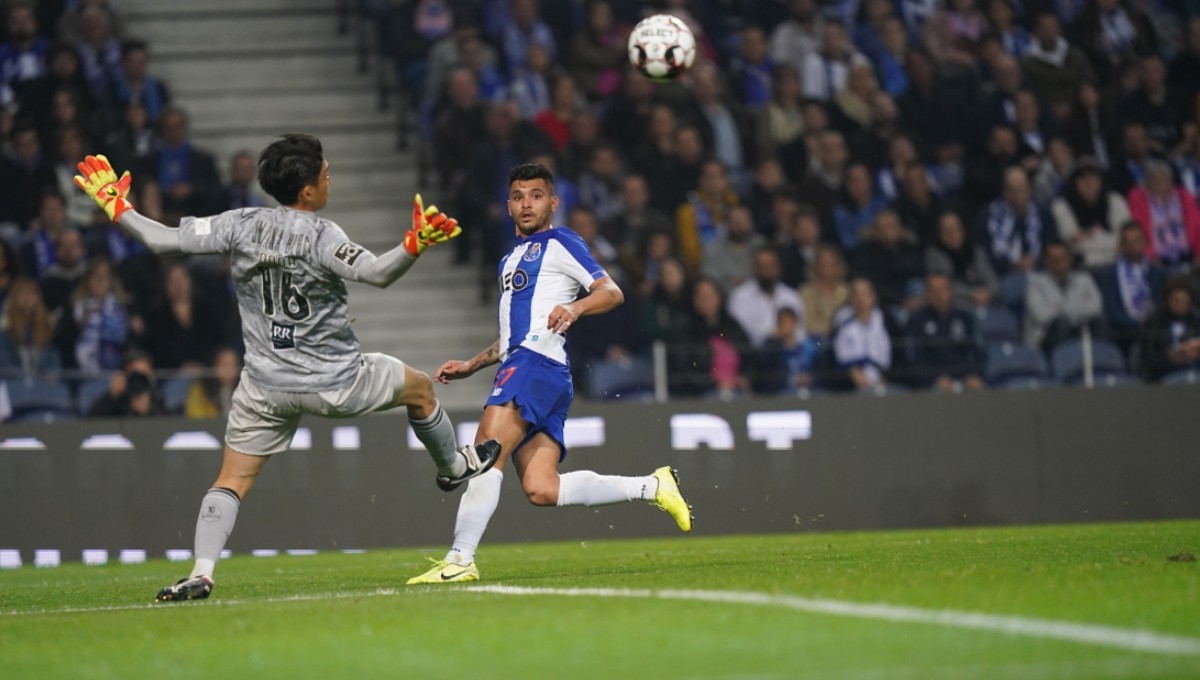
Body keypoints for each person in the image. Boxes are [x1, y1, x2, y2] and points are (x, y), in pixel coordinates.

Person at [70, 135, 500, 602]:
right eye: (325, 173)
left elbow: (160, 239)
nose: (329, 177)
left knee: (231, 480)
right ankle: (454, 467)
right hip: (336, 380)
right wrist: (413, 246)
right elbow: (376, 273)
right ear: (309, 192)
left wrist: (118, 208)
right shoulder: (323, 235)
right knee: (419, 388)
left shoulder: (240, 223)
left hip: (265, 385)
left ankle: (202, 570)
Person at [405, 163, 693, 585]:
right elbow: (513, 335)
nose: (527, 203)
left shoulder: (560, 242)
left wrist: (575, 308)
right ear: (508, 206)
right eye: (519, 196)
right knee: (542, 488)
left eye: (536, 195)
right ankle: (653, 486)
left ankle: (460, 558)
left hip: (536, 365)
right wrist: (472, 364)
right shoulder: (509, 258)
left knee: (486, 453)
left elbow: (611, 291)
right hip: (537, 367)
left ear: (552, 202)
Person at [904, 273, 985, 391]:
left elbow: (979, 351)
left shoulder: (965, 318)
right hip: (933, 383)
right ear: (926, 293)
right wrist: (934, 378)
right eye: (934, 290)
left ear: (951, 291)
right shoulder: (916, 321)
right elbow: (914, 359)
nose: (939, 295)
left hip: (964, 379)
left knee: (979, 388)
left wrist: (973, 374)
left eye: (943, 289)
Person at [1024, 241, 1104, 353]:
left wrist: (1060, 308)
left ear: (1070, 259)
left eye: (1062, 258)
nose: (1059, 262)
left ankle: (1100, 360)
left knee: (1100, 322)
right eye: (1053, 259)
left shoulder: (1084, 279)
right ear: (1045, 261)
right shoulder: (1035, 283)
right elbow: (1043, 316)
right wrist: (1079, 308)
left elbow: (1096, 308)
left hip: (1079, 331)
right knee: (1061, 325)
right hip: (1045, 339)